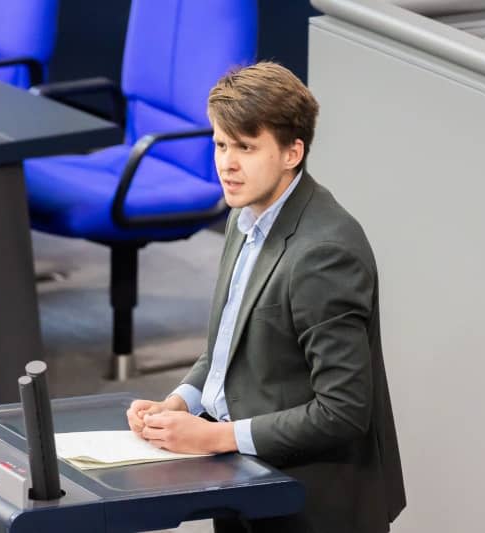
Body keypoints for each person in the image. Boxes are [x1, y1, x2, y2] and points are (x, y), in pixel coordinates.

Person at [125, 61, 406, 533]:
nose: (226, 164)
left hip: (310, 504)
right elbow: (228, 349)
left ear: (293, 152)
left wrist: (215, 437)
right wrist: (181, 403)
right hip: (247, 486)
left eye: (246, 148)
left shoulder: (324, 254)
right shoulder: (245, 214)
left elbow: (343, 411)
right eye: (220, 144)